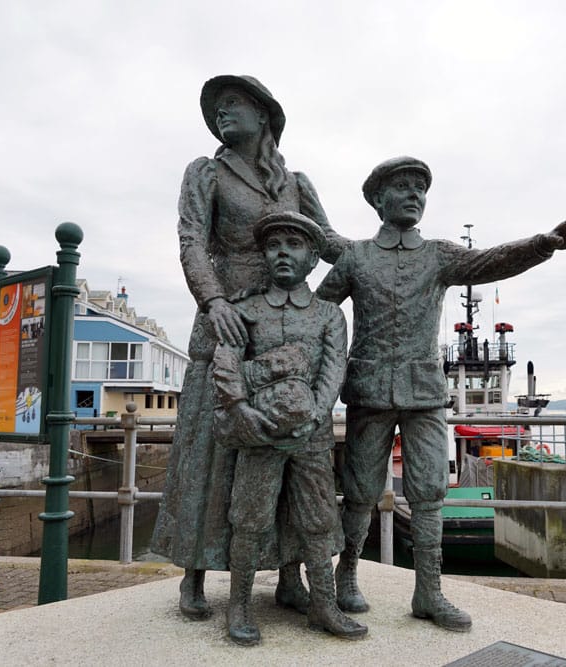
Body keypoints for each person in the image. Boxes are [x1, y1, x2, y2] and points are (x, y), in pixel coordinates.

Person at [316, 156, 566, 632]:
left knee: (429, 493)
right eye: (402, 187)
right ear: (378, 200)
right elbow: (319, 314)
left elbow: (491, 261)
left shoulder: (439, 255)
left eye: (420, 189)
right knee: (360, 492)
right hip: (367, 391)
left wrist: (544, 244)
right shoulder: (356, 257)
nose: (414, 195)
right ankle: (347, 576)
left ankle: (429, 592)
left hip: (425, 393)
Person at [151, 75, 345, 621]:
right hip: (231, 320)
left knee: (287, 442)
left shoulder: (297, 183)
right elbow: (192, 240)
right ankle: (193, 574)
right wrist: (213, 302)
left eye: (233, 104)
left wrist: (393, 254)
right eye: (216, 109)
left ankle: (289, 575)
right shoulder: (206, 172)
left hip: (289, 326)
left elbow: (329, 245)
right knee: (209, 451)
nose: (221, 114)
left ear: (264, 115)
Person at [213, 211, 365, 646]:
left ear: (314, 258)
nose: (283, 252)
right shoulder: (246, 309)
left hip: (311, 437)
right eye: (274, 244)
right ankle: (238, 605)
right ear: (263, 253)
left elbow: (334, 370)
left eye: (294, 245)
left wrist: (315, 414)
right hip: (258, 435)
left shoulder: (328, 315)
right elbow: (227, 365)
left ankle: (324, 603)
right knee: (249, 518)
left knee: (318, 520)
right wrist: (243, 410)